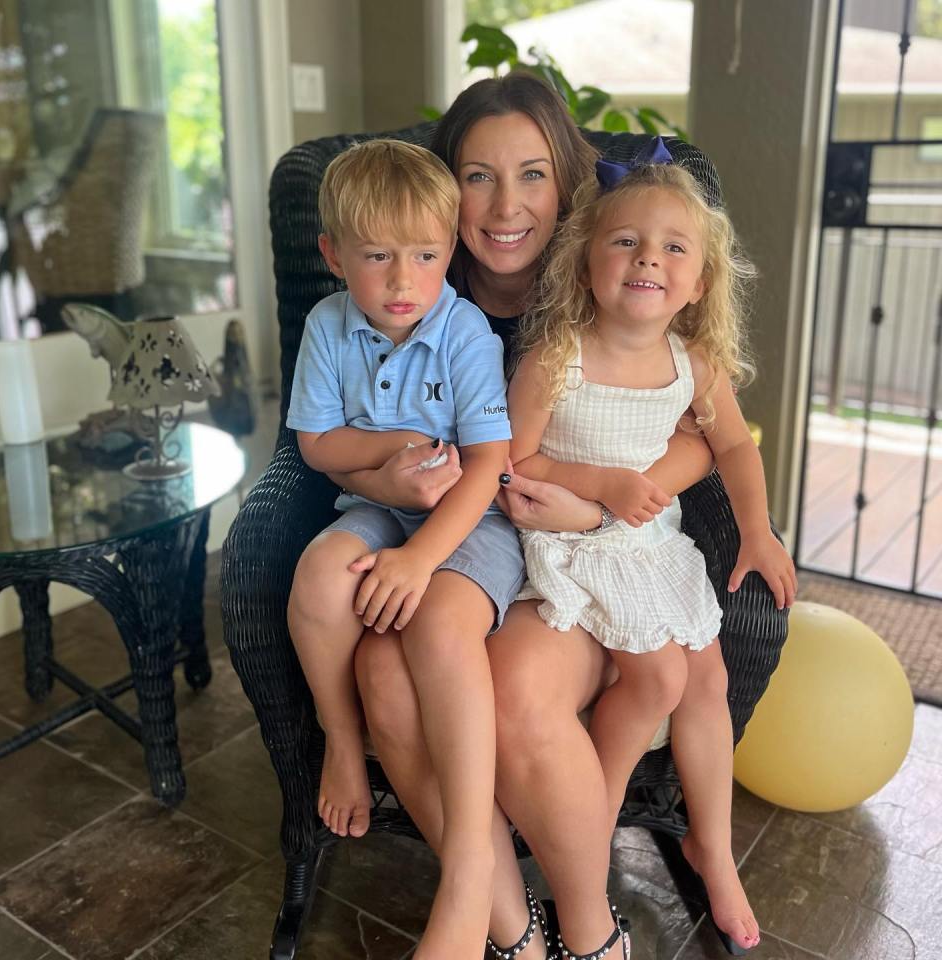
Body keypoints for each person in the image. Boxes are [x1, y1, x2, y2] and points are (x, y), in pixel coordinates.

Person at [323, 74, 716, 960]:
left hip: (571, 561)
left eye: (533, 175)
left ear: (567, 184)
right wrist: (387, 484)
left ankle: (592, 934)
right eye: (477, 177)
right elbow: (331, 431)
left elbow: (707, 431)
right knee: (385, 673)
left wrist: (600, 497)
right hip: (451, 542)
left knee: (521, 697)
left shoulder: (609, 287)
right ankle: (509, 928)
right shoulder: (409, 287)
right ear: (441, 187)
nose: (506, 206)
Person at [507, 145, 798, 953]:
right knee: (658, 674)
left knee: (706, 677)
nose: (649, 259)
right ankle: (588, 830)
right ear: (586, 260)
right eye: (627, 241)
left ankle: (710, 843)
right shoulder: (555, 359)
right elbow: (512, 463)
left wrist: (757, 531)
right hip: (577, 544)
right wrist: (599, 480)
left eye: (675, 248)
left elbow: (736, 449)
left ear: (700, 281)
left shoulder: (693, 365)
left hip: (655, 547)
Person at [284, 139, 524, 959]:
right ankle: (343, 746)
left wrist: (424, 559)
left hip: (470, 519)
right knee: (318, 578)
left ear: (449, 250)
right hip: (379, 502)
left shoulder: (464, 333)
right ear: (333, 254)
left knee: (434, 626)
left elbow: (489, 463)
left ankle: (467, 871)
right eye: (377, 257)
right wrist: (387, 483)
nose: (400, 282)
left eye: (424, 256)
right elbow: (317, 443)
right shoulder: (328, 324)